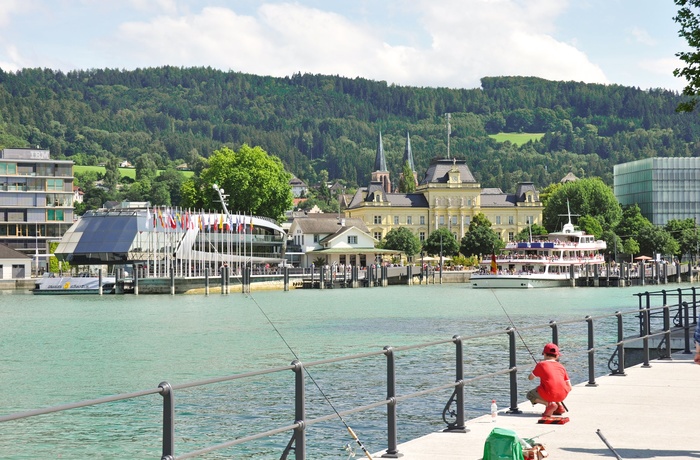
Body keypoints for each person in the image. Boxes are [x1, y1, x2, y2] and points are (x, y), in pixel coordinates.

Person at [527, 343, 572, 417]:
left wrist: (537, 372)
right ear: (557, 356)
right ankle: (559, 406)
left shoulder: (541, 364)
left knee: (530, 395)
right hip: (562, 395)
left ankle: (549, 404)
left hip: (549, 394)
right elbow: (570, 387)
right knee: (555, 389)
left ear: (544, 354)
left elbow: (530, 378)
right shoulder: (561, 366)